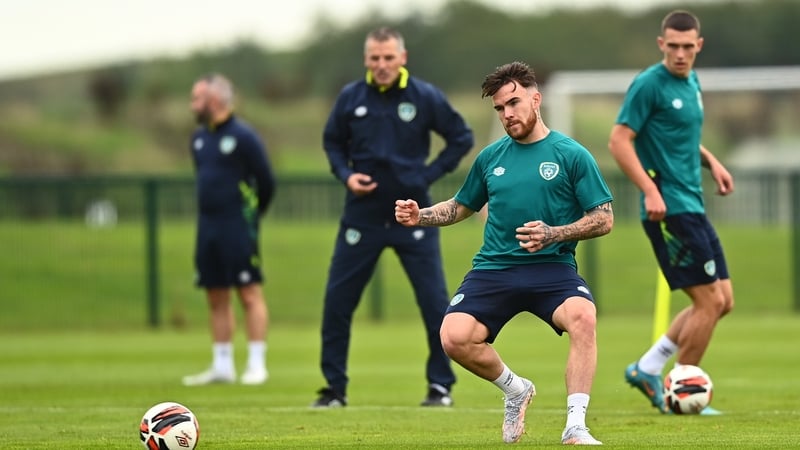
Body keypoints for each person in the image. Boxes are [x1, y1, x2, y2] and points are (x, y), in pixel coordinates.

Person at [396, 61, 613, 445]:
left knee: (583, 316)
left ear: (535, 98)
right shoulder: (491, 158)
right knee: (453, 337)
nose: (507, 114)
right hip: (494, 269)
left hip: (552, 267)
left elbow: (603, 218)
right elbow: (461, 206)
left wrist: (555, 233)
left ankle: (575, 424)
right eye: (499, 108)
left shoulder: (571, 154)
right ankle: (516, 389)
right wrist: (421, 216)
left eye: (513, 103)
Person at [313, 26, 474, 408]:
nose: (381, 64)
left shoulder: (424, 96)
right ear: (366, 60)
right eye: (374, 58)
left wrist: (427, 175)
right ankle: (334, 389)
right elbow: (332, 142)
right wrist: (346, 174)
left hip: (412, 217)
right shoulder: (351, 98)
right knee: (338, 302)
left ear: (402, 58)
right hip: (361, 218)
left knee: (435, 303)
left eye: (388, 57)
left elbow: (461, 137)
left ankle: (440, 387)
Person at [608, 9, 735, 415]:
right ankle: (681, 387)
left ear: (698, 46)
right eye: (673, 46)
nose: (681, 54)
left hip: (692, 203)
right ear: (662, 45)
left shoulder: (692, 80)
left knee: (723, 300)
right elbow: (619, 140)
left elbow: (677, 138)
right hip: (669, 208)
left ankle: (646, 367)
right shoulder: (649, 84)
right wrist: (649, 190)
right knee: (708, 303)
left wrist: (710, 161)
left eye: (688, 47)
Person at [182, 73, 276, 386]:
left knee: (249, 293)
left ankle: (256, 364)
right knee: (215, 294)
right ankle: (222, 365)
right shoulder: (198, 139)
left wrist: (251, 216)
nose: (192, 104)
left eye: (197, 98)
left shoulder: (244, 136)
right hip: (207, 227)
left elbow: (266, 181)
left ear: (215, 100)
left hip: (238, 226)